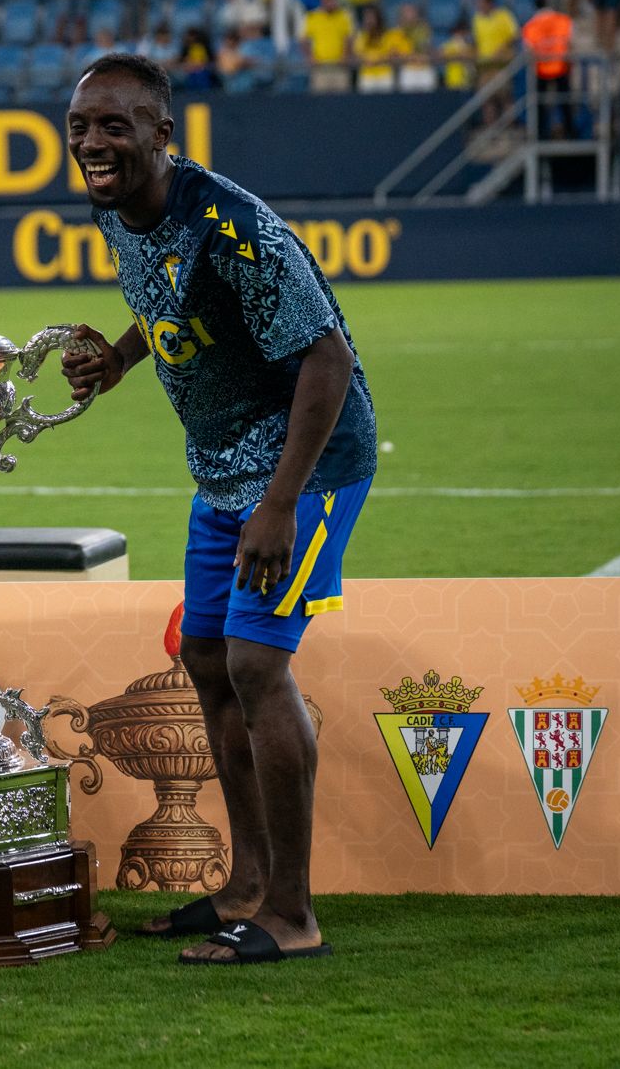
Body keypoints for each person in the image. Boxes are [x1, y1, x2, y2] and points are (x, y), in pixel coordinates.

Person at [59, 53, 376, 966]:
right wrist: (120, 360)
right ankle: (241, 885)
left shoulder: (235, 229)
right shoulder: (120, 207)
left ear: (164, 133)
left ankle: (290, 912)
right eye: (80, 127)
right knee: (205, 659)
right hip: (221, 471)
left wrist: (278, 503)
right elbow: (162, 300)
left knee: (255, 665)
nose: (91, 143)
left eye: (114, 126)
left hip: (302, 472)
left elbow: (328, 362)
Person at [520, 0, 574, 137]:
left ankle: (540, 134)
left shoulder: (530, 26)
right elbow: (570, 44)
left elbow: (528, 50)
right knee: (565, 103)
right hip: (561, 67)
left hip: (541, 70)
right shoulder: (563, 20)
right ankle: (570, 132)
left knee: (540, 106)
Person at [300, 0, 354, 92]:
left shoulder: (344, 16)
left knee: (342, 101)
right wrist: (310, 57)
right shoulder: (313, 17)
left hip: (340, 66)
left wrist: (346, 55)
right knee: (320, 101)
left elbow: (349, 38)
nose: (330, 2)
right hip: (320, 67)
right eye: (327, 0)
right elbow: (303, 40)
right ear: (322, 1)